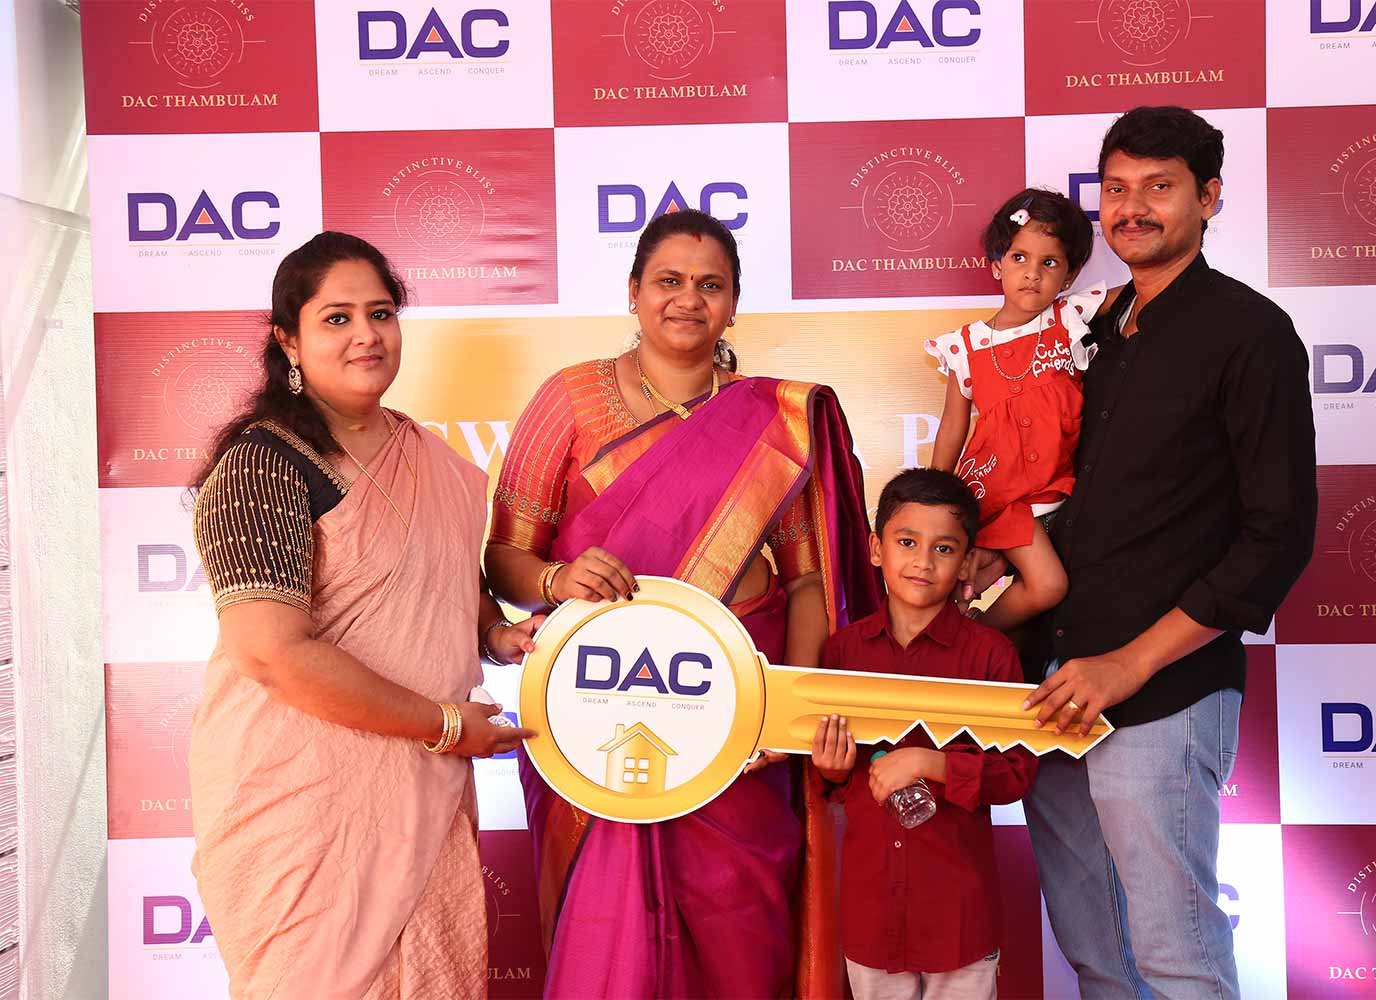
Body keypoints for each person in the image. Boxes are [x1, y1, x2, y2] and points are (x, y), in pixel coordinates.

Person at [484, 209, 881, 998]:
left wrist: (785, 714)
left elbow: (809, 582)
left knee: (741, 939)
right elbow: (505, 558)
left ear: (733, 304)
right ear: (634, 291)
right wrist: (557, 581)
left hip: (735, 722)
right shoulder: (568, 401)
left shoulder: (777, 423)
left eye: (710, 285)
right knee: (609, 947)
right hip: (595, 717)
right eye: (668, 280)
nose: (688, 299)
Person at [188, 232, 542, 1000]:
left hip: (424, 796)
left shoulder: (431, 460)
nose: (366, 336)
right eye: (337, 318)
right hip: (303, 806)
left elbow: (443, 582)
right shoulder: (262, 465)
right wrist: (444, 725)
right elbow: (273, 656)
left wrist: (495, 631)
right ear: (289, 340)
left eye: (380, 314)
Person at [1014, 107, 1317, 998]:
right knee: (1097, 953)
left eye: (1159, 187)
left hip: (1161, 691)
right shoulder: (1095, 327)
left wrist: (1130, 664)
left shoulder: (1250, 332)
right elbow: (1059, 491)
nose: (1132, 208)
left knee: (1175, 955)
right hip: (1052, 683)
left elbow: (1278, 535)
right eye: (1116, 188)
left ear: (1209, 198)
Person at [811, 469, 1037, 1000]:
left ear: (967, 562)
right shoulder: (842, 653)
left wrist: (931, 764)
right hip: (871, 912)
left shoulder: (990, 655)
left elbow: (1017, 773)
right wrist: (832, 768)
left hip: (959, 914)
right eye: (907, 542)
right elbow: (828, 777)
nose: (923, 562)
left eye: (944, 549)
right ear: (876, 548)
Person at [926, 189, 1118, 628]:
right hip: (1002, 492)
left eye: (1049, 263)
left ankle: (970, 638)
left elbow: (1147, 291)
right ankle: (975, 638)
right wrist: (933, 497)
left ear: (1069, 275)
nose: (1032, 274)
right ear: (997, 265)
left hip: (1063, 489)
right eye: (1019, 258)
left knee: (982, 582)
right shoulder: (966, 345)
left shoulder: (1068, 318)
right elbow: (953, 425)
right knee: (1046, 585)